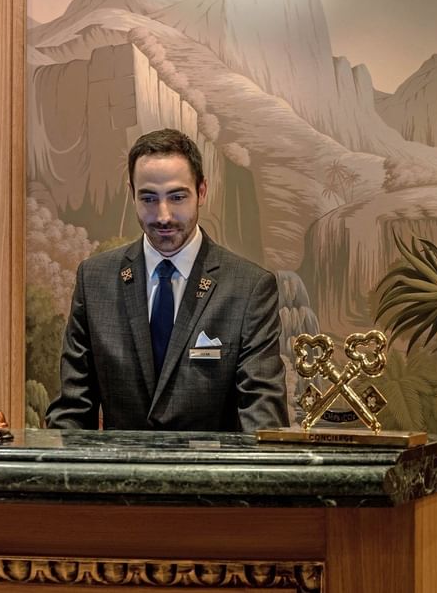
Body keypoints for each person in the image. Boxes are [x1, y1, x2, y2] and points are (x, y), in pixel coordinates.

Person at [46, 128, 289, 431]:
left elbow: (263, 417)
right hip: (121, 463)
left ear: (202, 192)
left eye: (177, 197)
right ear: (132, 194)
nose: (163, 216)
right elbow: (71, 410)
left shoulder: (249, 287)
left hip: (210, 462)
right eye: (149, 198)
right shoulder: (94, 280)